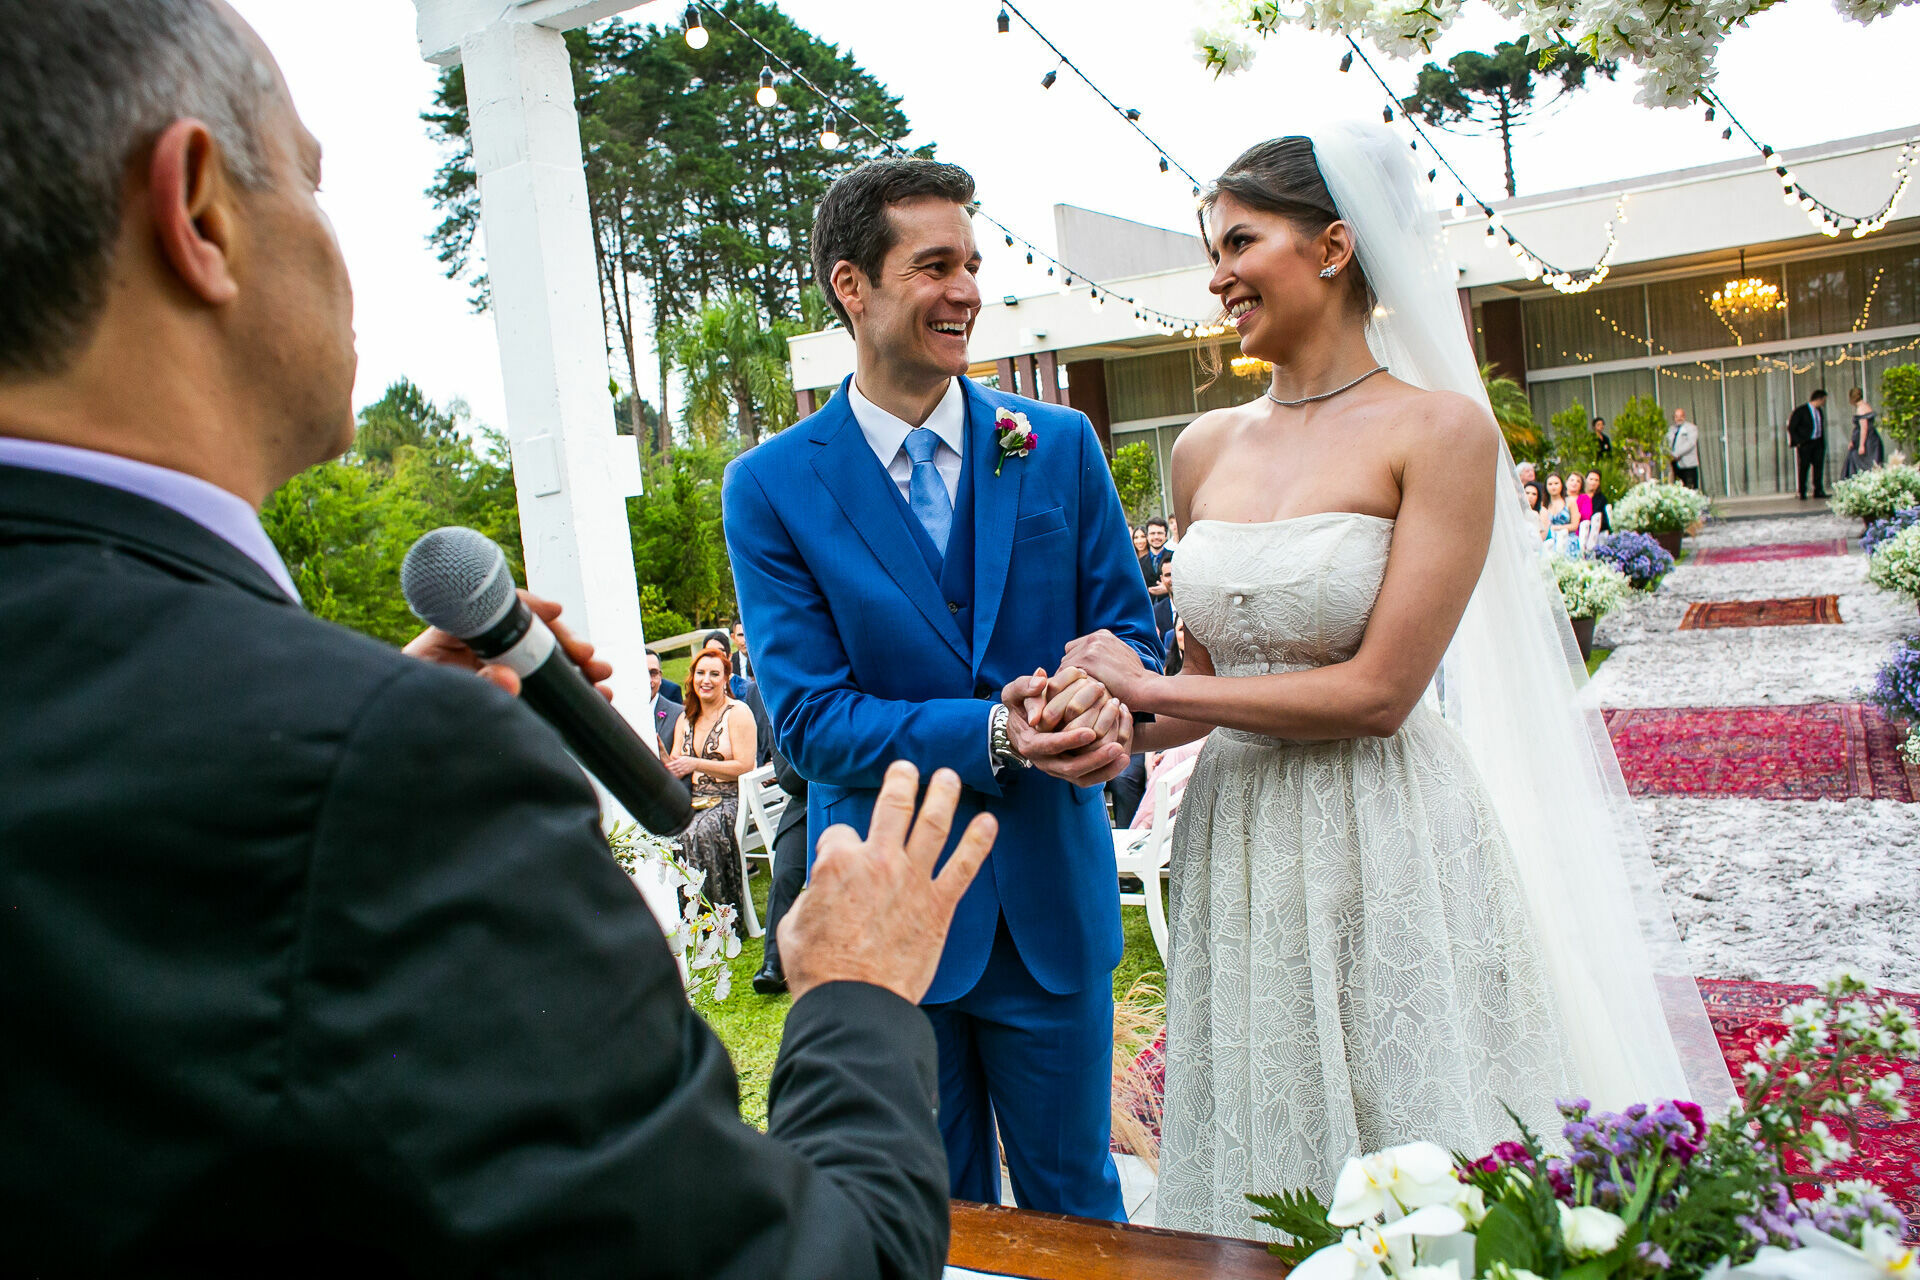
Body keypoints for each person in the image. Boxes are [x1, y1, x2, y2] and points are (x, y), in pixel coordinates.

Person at [0, 5, 996, 1273]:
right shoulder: (392, 772)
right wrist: (853, 993)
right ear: (197, 210)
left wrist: (330, 721)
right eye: (310, 181)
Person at [1058, 124, 1730, 1233]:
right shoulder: (1203, 448)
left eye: (1238, 241)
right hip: (1241, 838)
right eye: (1210, 250)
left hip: (1387, 822)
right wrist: (1097, 721)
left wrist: (1151, 689)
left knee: (1412, 1119)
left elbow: (1380, 692)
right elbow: (1199, 681)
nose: (1217, 275)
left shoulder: (1442, 433)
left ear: (1331, 246)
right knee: (1271, 1137)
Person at [723, 156, 1160, 1222]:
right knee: (929, 1217)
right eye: (934, 265)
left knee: (1078, 1212)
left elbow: (1129, 643)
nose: (965, 289)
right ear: (852, 285)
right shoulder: (772, 483)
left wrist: (1103, 712)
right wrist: (996, 734)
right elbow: (814, 721)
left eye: (972, 263)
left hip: (1052, 903)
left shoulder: (1054, 444)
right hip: (885, 912)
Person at [666, 648, 758, 922]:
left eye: (714, 674)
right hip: (694, 799)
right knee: (669, 831)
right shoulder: (685, 718)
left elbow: (744, 766)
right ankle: (687, 918)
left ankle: (720, 920)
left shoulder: (737, 712)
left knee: (698, 831)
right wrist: (663, 758)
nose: (706, 679)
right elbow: (676, 762)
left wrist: (696, 763)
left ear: (726, 678)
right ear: (692, 677)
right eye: (701, 673)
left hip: (732, 799)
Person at [752, 741, 810, 996]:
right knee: (784, 875)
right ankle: (773, 964)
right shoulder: (783, 722)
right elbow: (789, 781)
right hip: (804, 808)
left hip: (847, 803)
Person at [1787, 390, 1828, 500]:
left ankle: (1818, 490)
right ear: (1819, 399)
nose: (1824, 402)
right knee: (1804, 467)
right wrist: (1799, 442)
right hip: (1806, 443)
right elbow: (1791, 427)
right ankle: (1802, 491)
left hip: (1817, 442)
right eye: (1823, 400)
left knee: (1818, 467)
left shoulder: (1819, 411)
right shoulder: (1801, 411)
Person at [648, 647, 685, 755]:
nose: (648, 680)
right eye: (642, 673)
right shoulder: (618, 711)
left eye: (653, 673)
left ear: (660, 677)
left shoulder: (679, 714)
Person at [1845, 386, 1885, 477]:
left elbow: (1864, 428)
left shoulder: (1861, 409)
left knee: (1862, 464)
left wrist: (1861, 445)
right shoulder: (1866, 405)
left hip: (1867, 442)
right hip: (1872, 439)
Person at [1667, 408, 1702, 491]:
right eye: (1676, 417)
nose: (1678, 419)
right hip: (1675, 463)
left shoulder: (1691, 428)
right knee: (1678, 488)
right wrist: (1669, 454)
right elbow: (1667, 443)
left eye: (1681, 416)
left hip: (1688, 464)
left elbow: (1690, 444)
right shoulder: (1671, 429)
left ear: (1684, 417)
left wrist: (1676, 454)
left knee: (1691, 488)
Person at [1139, 515, 1173, 587]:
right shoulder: (1139, 563)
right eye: (1152, 533)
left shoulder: (1175, 557)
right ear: (1147, 536)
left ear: (1166, 536)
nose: (1156, 537)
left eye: (1160, 533)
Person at [1151, 558, 1177, 639]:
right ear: (1162, 579)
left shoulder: (1199, 607)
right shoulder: (1156, 612)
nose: (1173, 579)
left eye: (1176, 573)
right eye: (1168, 575)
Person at [1584, 471, 1612, 536]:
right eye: (1591, 479)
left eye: (1596, 480)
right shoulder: (1580, 496)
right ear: (1585, 480)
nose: (1593, 482)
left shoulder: (1601, 499)